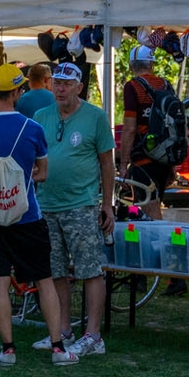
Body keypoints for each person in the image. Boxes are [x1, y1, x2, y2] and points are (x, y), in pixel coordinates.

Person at [0, 63, 75, 367]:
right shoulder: (33, 129)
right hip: (28, 216)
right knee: (45, 280)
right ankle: (58, 348)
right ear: (16, 92)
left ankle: (8, 350)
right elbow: (42, 173)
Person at [30, 61, 115, 357]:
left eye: (67, 84)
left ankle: (93, 335)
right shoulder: (41, 116)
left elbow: (107, 163)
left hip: (81, 205)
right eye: (57, 83)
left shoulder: (96, 117)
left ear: (79, 87)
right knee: (55, 271)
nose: (61, 89)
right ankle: (63, 330)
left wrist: (107, 204)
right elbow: (33, 155)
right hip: (46, 204)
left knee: (89, 269)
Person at [118, 45, 188, 295]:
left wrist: (123, 163)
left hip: (143, 160)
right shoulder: (165, 84)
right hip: (163, 159)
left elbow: (129, 127)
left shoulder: (133, 87)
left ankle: (174, 275)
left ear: (131, 65)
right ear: (152, 64)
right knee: (148, 215)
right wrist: (171, 165)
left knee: (151, 216)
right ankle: (141, 275)